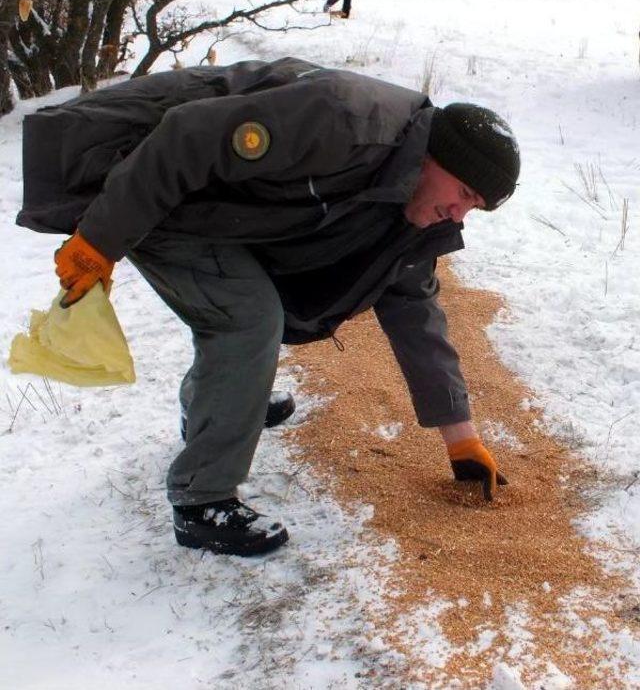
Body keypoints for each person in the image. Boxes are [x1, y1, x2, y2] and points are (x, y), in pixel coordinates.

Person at [18, 57, 519, 557]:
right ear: (436, 157)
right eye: (464, 194)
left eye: (474, 208)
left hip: (228, 208)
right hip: (148, 182)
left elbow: (415, 309)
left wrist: (461, 437)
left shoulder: (410, 195)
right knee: (248, 317)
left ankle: (218, 407)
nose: (459, 215)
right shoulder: (343, 122)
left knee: (251, 313)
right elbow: (186, 138)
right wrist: (99, 242)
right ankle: (202, 500)